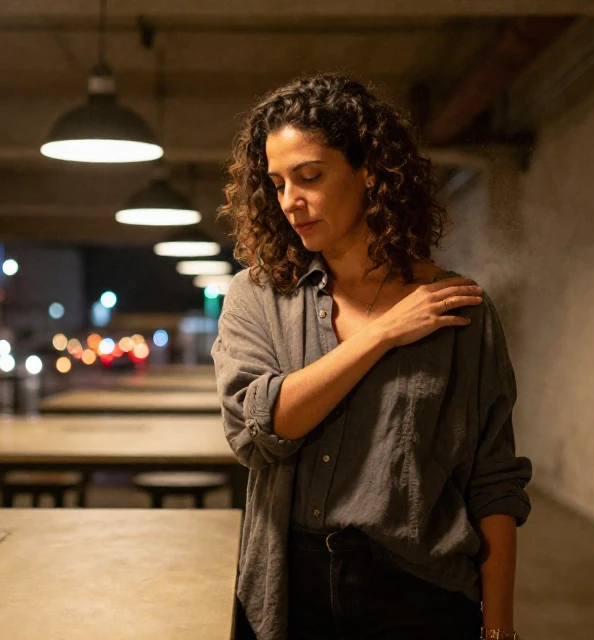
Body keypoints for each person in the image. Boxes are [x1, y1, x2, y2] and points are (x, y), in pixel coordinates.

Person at [211, 73, 533, 640]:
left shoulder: (460, 310)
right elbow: (260, 426)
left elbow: (492, 476)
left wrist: (500, 624)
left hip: (419, 592)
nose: (291, 202)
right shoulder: (258, 296)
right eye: (278, 183)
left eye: (309, 176)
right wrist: (383, 334)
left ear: (368, 171)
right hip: (291, 590)